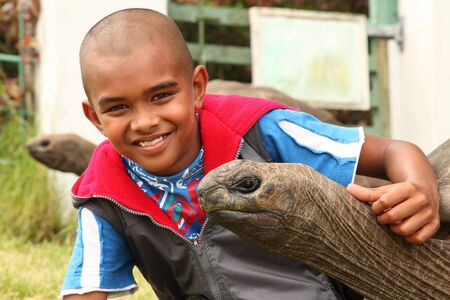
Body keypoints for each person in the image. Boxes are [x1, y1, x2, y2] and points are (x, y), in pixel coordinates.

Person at [60, 8, 440, 300]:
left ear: (196, 88)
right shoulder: (104, 192)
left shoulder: (257, 130)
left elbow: (393, 150)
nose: (144, 122)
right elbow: (87, 289)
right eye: (117, 108)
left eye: (161, 96)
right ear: (94, 117)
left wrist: (421, 188)